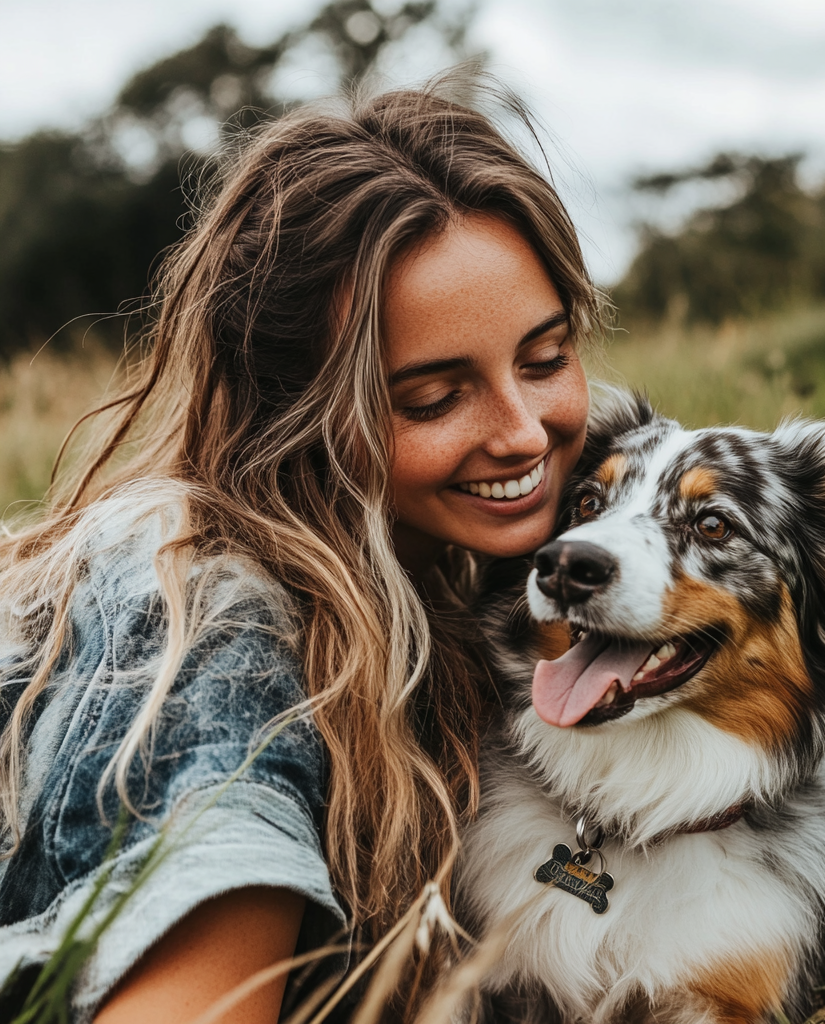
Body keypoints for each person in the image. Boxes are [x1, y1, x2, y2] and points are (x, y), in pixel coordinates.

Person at [0, 80, 601, 1023]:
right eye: (434, 399)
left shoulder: (465, 565)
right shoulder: (210, 615)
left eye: (545, 357)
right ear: (298, 418)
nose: (525, 433)